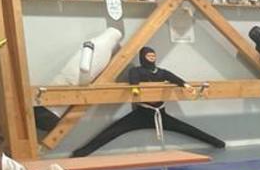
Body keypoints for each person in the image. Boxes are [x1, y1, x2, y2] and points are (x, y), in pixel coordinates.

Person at [71, 47, 226, 157]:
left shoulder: (162, 72)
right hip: (141, 113)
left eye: (153, 56)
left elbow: (174, 78)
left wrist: (185, 85)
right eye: (149, 56)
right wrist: (135, 90)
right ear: (143, 57)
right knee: (112, 131)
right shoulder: (136, 71)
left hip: (160, 113)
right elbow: (134, 80)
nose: (152, 58)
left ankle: (218, 143)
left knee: (187, 129)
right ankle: (82, 153)